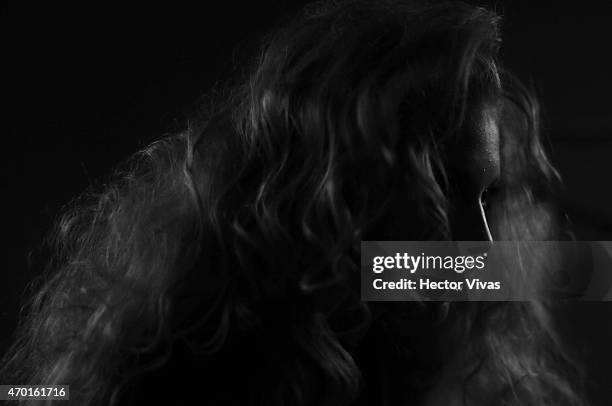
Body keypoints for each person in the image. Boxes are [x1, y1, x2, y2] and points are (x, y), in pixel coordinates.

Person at [2, 0, 587, 405]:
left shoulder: (456, 374)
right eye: (439, 185)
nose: (482, 247)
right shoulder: (166, 373)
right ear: (334, 198)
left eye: (487, 197)